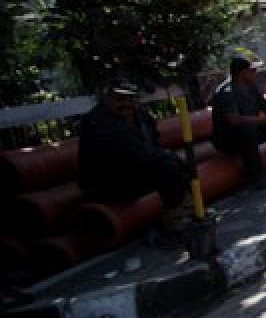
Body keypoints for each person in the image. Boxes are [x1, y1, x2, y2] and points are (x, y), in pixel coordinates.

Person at [78, 77, 191, 236]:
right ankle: (173, 220)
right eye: (120, 99)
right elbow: (133, 152)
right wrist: (169, 157)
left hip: (132, 170)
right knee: (169, 168)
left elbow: (153, 145)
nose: (126, 103)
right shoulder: (97, 121)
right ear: (107, 98)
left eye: (130, 98)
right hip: (107, 181)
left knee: (177, 165)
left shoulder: (142, 117)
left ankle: (183, 210)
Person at [210, 55, 266, 188]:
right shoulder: (227, 92)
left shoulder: (251, 87)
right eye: (252, 71)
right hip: (229, 139)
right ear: (242, 73)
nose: (255, 73)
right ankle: (256, 177)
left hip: (251, 130)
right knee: (246, 130)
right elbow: (235, 120)